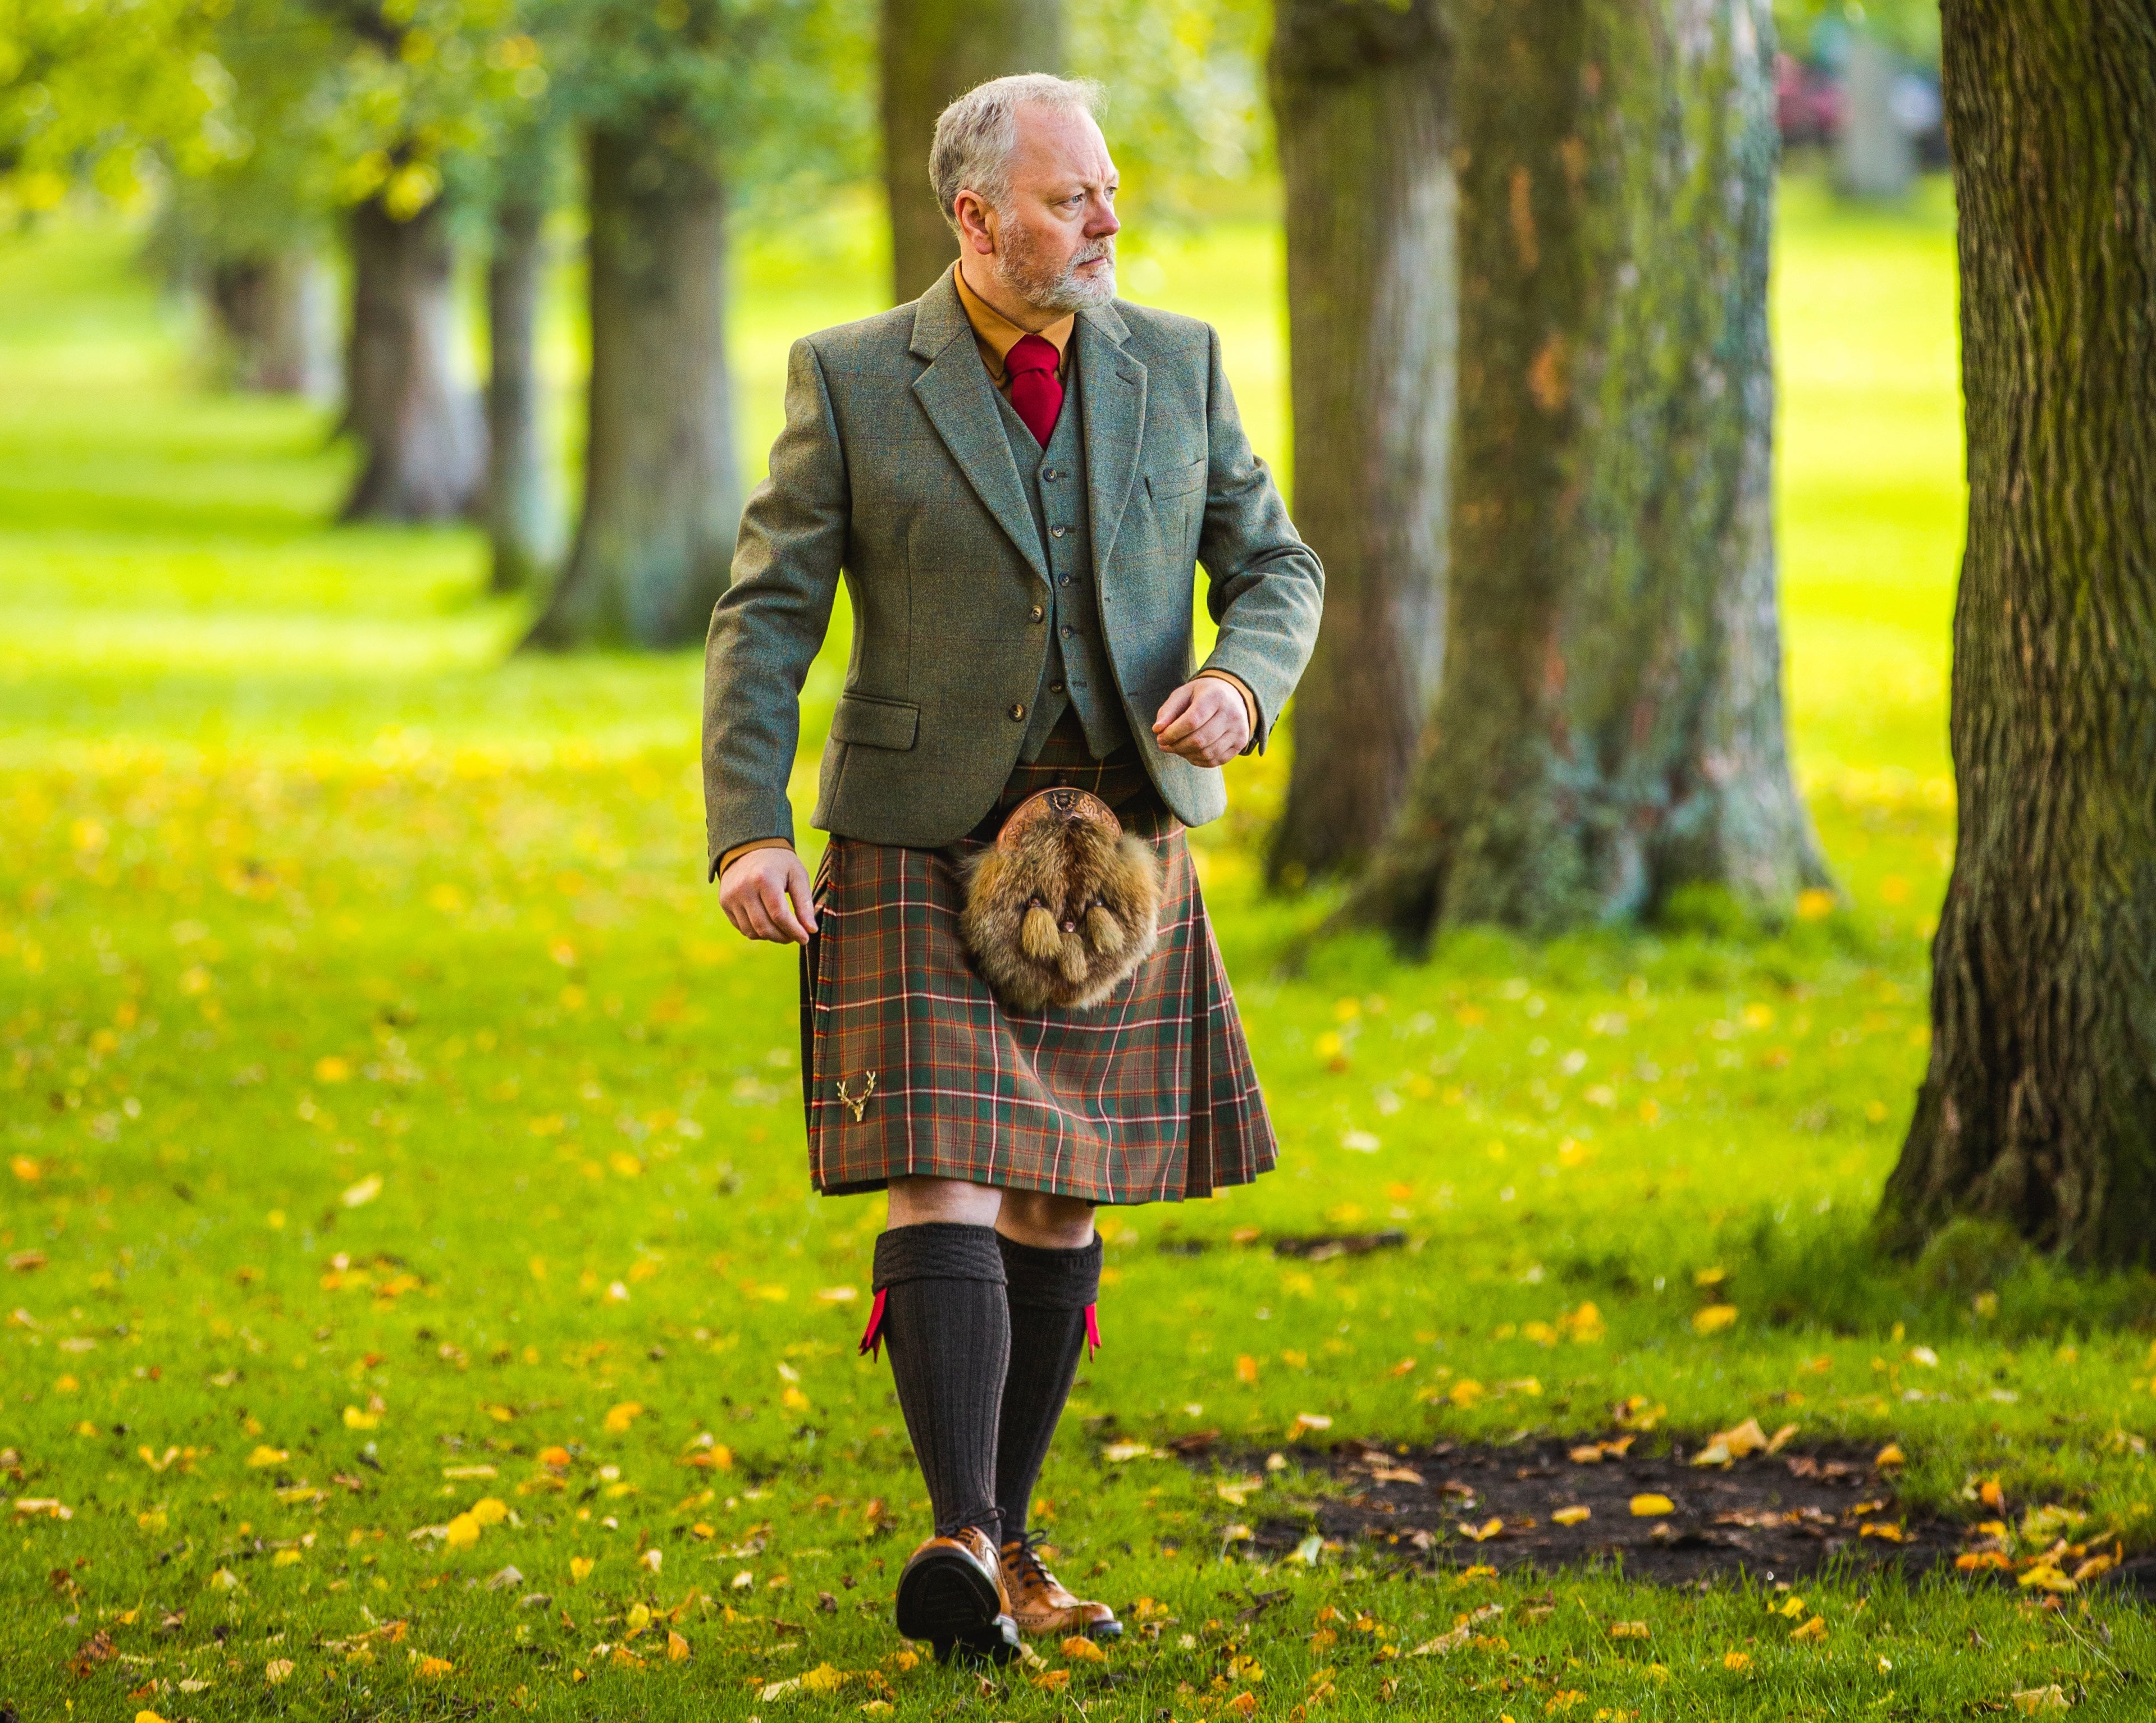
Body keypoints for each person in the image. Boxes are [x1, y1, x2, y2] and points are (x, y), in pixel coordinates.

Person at [700, 72, 1323, 1663]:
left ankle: (1008, 1539)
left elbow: (1274, 562)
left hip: (1119, 840)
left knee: (1062, 1196)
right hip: (919, 830)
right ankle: (961, 1534)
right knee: (947, 1173)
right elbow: (768, 613)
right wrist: (750, 826)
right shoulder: (850, 376)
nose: (1108, 218)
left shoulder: (1175, 363)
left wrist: (1243, 683)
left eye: (1109, 190)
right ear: (973, 219)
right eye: (1071, 199)